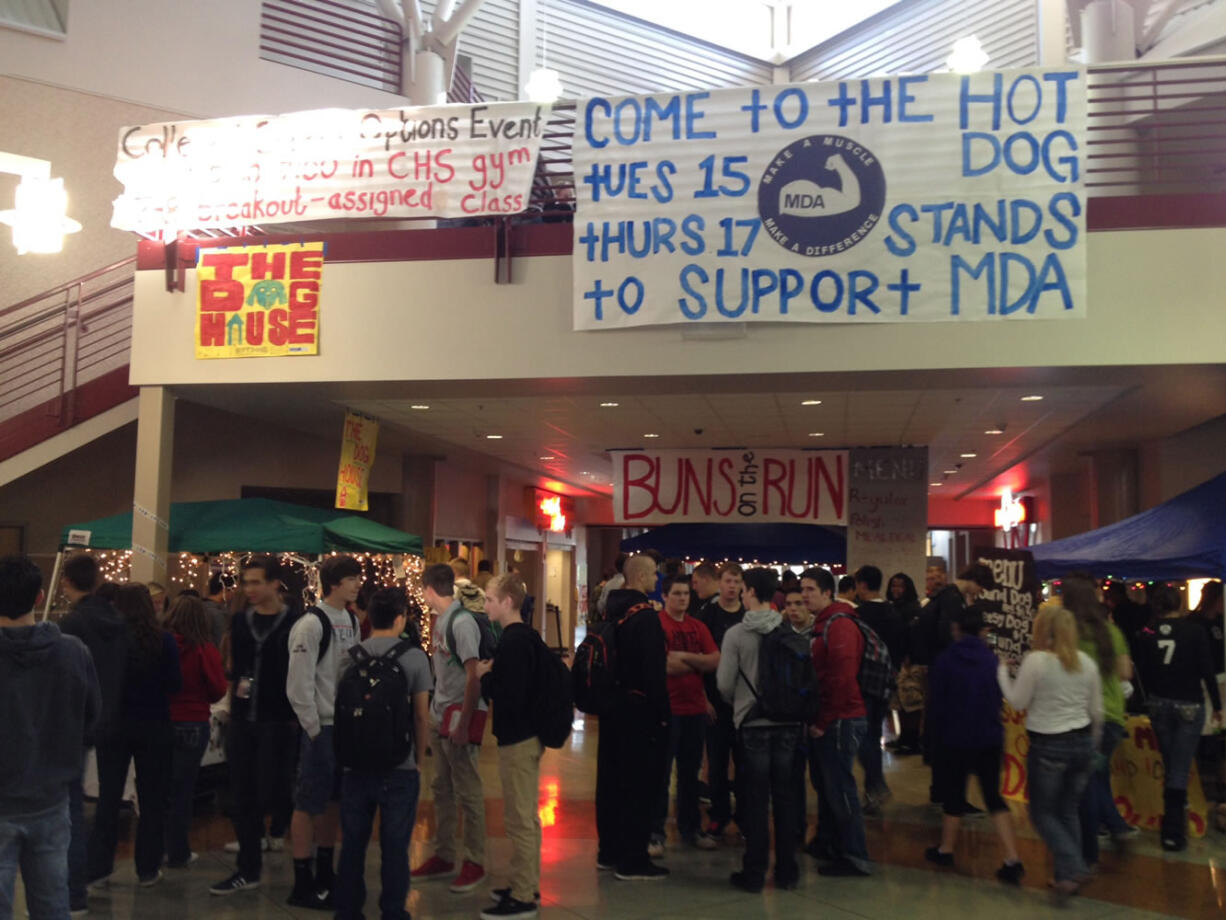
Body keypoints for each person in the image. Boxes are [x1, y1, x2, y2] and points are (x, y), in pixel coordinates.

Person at [0, 554, 100, 920]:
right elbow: (92, 718)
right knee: (52, 902)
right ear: (40, 597)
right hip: (52, 796)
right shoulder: (73, 652)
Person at [333, 588, 431, 920]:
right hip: (398, 764)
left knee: (352, 845)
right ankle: (393, 911)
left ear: (370, 617)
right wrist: (419, 759)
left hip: (354, 764)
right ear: (401, 618)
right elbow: (420, 715)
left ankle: (347, 910)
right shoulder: (415, 657)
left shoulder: (349, 656)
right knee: (395, 846)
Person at [211, 554, 303, 897]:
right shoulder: (240, 622)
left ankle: (285, 839)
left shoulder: (295, 622)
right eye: (245, 582)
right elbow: (236, 669)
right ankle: (247, 867)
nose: (249, 589)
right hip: (244, 719)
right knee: (242, 794)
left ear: (275, 584)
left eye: (256, 582)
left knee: (274, 789)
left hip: (278, 720)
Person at [998, 606, 1102, 904]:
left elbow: (1017, 702)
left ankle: (1074, 866)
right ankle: (1065, 878)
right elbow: (1096, 712)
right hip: (1082, 744)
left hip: (1048, 746)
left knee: (1042, 813)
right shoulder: (1086, 663)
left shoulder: (1036, 661)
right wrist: (1092, 747)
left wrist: (1002, 673)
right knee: (1067, 810)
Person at [88, 583, 181, 889]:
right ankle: (147, 867)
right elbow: (174, 685)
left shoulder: (107, 641)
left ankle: (99, 866)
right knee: (153, 799)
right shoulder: (163, 640)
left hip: (113, 726)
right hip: (154, 725)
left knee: (109, 799)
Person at [924, 605, 1024, 884]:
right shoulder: (992, 661)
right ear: (982, 631)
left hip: (954, 738)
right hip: (989, 737)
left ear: (956, 629)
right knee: (993, 797)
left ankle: (946, 849)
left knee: (954, 796)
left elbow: (936, 706)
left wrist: (932, 740)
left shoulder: (945, 660)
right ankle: (1012, 857)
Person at [717, 567, 801, 892]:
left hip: (752, 724)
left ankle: (754, 873)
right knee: (785, 797)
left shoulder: (737, 634)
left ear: (749, 591)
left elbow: (724, 684)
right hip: (789, 723)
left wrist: (740, 701)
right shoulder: (789, 629)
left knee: (754, 800)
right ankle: (787, 871)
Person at [286, 553, 362, 908]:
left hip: (344, 727)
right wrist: (314, 728)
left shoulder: (350, 618)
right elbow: (299, 684)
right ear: (334, 583)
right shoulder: (311, 624)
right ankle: (302, 880)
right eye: (352, 579)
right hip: (322, 729)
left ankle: (325, 869)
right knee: (308, 802)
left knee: (333, 801)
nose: (358, 584)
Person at [411, 563, 489, 893]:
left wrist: (464, 720)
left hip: (459, 714)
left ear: (429, 589)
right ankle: (444, 853)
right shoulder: (443, 621)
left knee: (467, 790)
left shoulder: (462, 622)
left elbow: (474, 676)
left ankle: (475, 860)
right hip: (441, 712)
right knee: (442, 787)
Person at [58, 552, 127, 914]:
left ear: (66, 582)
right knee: (104, 804)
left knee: (68, 811)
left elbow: (66, 681)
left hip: (76, 725)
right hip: (113, 718)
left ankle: (72, 892)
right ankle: (93, 873)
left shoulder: (72, 625)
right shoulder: (117, 620)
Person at [595, 554, 669, 880]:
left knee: (611, 781)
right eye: (653, 573)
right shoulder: (645, 618)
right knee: (639, 785)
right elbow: (654, 673)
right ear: (640, 576)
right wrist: (662, 716)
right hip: (640, 712)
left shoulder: (611, 613)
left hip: (613, 708)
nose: (657, 578)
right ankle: (633, 859)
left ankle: (608, 850)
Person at [476, 574, 546, 919]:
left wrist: (485, 677)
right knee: (525, 816)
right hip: (526, 736)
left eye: (490, 599)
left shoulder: (514, 642)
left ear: (507, 602)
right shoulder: (525, 638)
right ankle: (525, 881)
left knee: (520, 818)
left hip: (518, 738)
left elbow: (511, 696)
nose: (485, 605)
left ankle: (523, 896)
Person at [1135, 584, 1223, 851]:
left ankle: (1175, 816)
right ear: (1178, 603)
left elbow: (1144, 673)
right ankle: (1173, 832)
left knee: (1172, 763)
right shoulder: (1194, 632)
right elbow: (1207, 670)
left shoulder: (1146, 633)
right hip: (1189, 705)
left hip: (1159, 704)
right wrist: (1218, 706)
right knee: (1180, 768)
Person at [1059, 575, 1137, 866]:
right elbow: (1125, 673)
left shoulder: (1069, 635)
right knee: (1097, 776)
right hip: (1113, 717)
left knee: (1088, 783)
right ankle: (1113, 826)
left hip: (1083, 718)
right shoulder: (1111, 632)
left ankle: (1110, 831)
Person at [805, 567, 872, 877]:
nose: (804, 595)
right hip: (836, 716)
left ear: (827, 592)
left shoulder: (840, 624)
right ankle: (831, 843)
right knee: (829, 785)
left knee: (840, 787)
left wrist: (824, 719)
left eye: (810, 590)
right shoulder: (823, 623)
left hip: (841, 718)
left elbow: (842, 679)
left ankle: (855, 855)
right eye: (802, 589)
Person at [653, 575, 719, 855]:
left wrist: (686, 659)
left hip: (694, 709)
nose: (682, 598)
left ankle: (690, 827)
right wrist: (698, 663)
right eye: (677, 594)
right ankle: (655, 832)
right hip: (668, 708)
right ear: (665, 596)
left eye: (685, 594)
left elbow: (715, 660)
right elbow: (664, 665)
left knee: (690, 775)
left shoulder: (698, 626)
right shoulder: (657, 625)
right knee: (661, 773)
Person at [165, 594, 227, 869]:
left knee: (158, 790)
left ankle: (154, 849)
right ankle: (178, 851)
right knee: (183, 791)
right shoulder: (204, 648)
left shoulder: (160, 644)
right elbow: (217, 689)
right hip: (194, 721)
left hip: (163, 721)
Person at [695, 563, 745, 847]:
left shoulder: (747, 616)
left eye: (736, 582)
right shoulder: (708, 615)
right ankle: (719, 816)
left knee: (744, 764)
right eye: (727, 581)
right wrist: (703, 698)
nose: (731, 586)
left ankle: (744, 817)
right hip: (715, 702)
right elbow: (700, 660)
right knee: (715, 765)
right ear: (720, 582)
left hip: (742, 705)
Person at [852, 565, 905, 814]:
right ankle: (875, 787)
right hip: (885, 682)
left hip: (862, 683)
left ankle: (875, 786)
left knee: (864, 737)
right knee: (873, 734)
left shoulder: (859, 615)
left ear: (862, 585)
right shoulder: (892, 613)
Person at [1190, 582, 1225, 807]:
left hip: (1221, 681)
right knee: (1202, 730)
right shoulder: (1196, 623)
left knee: (1218, 734)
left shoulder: (1220, 622)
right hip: (1203, 682)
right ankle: (1199, 783)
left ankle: (1217, 785)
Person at [886, 573, 924, 755]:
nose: (896, 590)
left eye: (900, 586)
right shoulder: (893, 608)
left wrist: (909, 657)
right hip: (896, 661)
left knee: (911, 704)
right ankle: (903, 738)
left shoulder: (913, 608)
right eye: (893, 586)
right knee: (899, 704)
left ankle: (912, 742)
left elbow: (914, 636)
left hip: (909, 663)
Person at [203, 573, 231, 647]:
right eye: (232, 589)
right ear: (224, 590)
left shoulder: (201, 606)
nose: (233, 593)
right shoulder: (218, 613)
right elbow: (222, 643)